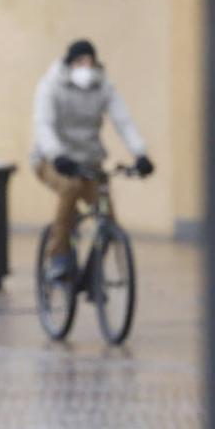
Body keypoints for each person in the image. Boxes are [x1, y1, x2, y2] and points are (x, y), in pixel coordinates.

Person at [31, 39, 154, 279]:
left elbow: (123, 122)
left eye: (90, 61)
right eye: (80, 62)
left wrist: (140, 154)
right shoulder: (51, 86)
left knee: (107, 217)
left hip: (88, 161)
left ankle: (93, 275)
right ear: (69, 64)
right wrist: (57, 155)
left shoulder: (104, 86)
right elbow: (43, 125)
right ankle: (58, 256)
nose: (86, 67)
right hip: (52, 159)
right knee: (71, 187)